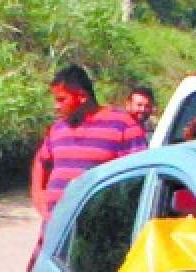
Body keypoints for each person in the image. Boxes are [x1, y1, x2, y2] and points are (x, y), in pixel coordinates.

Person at [30, 65, 147, 222]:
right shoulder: (58, 129)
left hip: (97, 234)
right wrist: (38, 193)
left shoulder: (123, 126)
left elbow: (140, 176)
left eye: (61, 100)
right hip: (56, 230)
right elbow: (41, 160)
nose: (56, 106)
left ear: (82, 97)